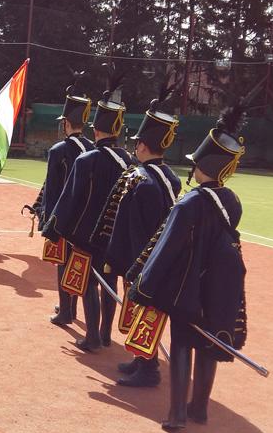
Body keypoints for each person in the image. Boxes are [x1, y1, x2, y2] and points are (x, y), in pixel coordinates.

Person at [127, 93, 253, 431]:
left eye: (196, 165)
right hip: (216, 287)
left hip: (186, 288)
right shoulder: (231, 200)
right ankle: (198, 408)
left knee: (182, 342)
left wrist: (143, 286)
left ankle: (177, 414)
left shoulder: (189, 204)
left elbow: (166, 249)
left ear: (204, 168)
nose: (192, 169)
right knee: (208, 345)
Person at [46, 65, 133, 352]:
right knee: (109, 282)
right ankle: (106, 334)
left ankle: (93, 336)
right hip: (115, 235)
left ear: (96, 129)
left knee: (87, 284)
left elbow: (70, 199)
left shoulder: (88, 160)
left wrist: (55, 228)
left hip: (86, 234)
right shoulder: (128, 161)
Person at [102, 84, 181, 387]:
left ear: (144, 147)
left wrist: (126, 262)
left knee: (144, 313)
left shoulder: (144, 181)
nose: (135, 148)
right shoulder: (167, 176)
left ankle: (149, 369)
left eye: (138, 144)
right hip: (150, 257)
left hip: (142, 259)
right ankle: (140, 360)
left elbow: (135, 228)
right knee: (139, 314)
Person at [41, 79, 94, 326]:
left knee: (63, 263)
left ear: (66, 123)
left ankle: (66, 311)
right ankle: (71, 307)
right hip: (85, 217)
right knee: (78, 263)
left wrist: (47, 220)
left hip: (62, 216)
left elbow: (52, 190)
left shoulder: (58, 150)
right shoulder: (92, 148)